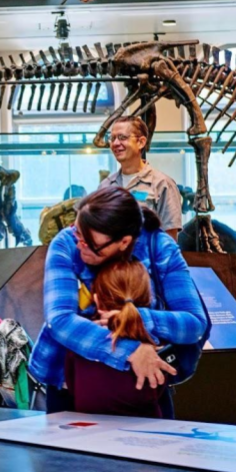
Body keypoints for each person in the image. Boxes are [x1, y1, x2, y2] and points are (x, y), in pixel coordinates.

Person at [29, 186, 208, 418]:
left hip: (141, 383)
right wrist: (130, 350)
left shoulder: (159, 247)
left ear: (124, 242)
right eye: (78, 234)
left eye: (90, 244)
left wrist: (137, 318)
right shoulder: (66, 244)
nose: (79, 245)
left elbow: (193, 323)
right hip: (72, 384)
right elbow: (60, 320)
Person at [64, 260, 165, 417]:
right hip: (147, 432)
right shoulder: (157, 344)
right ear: (149, 299)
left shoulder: (79, 342)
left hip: (89, 435)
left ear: (97, 300)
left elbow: (71, 387)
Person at [100, 117, 183, 240]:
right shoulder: (105, 186)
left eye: (122, 137)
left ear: (141, 142)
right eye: (112, 138)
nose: (116, 143)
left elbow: (170, 238)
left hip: (148, 259)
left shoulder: (162, 184)